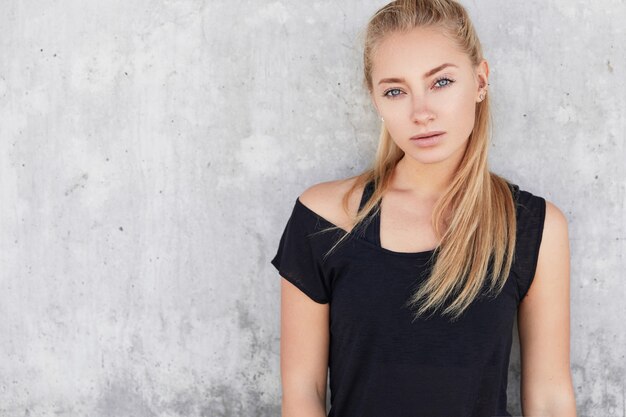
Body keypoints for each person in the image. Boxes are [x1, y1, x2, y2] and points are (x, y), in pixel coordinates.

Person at [270, 0, 577, 416]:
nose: (421, 113)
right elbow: (303, 394)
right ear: (377, 101)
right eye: (396, 91)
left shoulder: (534, 228)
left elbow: (550, 398)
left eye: (441, 82)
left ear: (481, 81)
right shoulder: (325, 220)